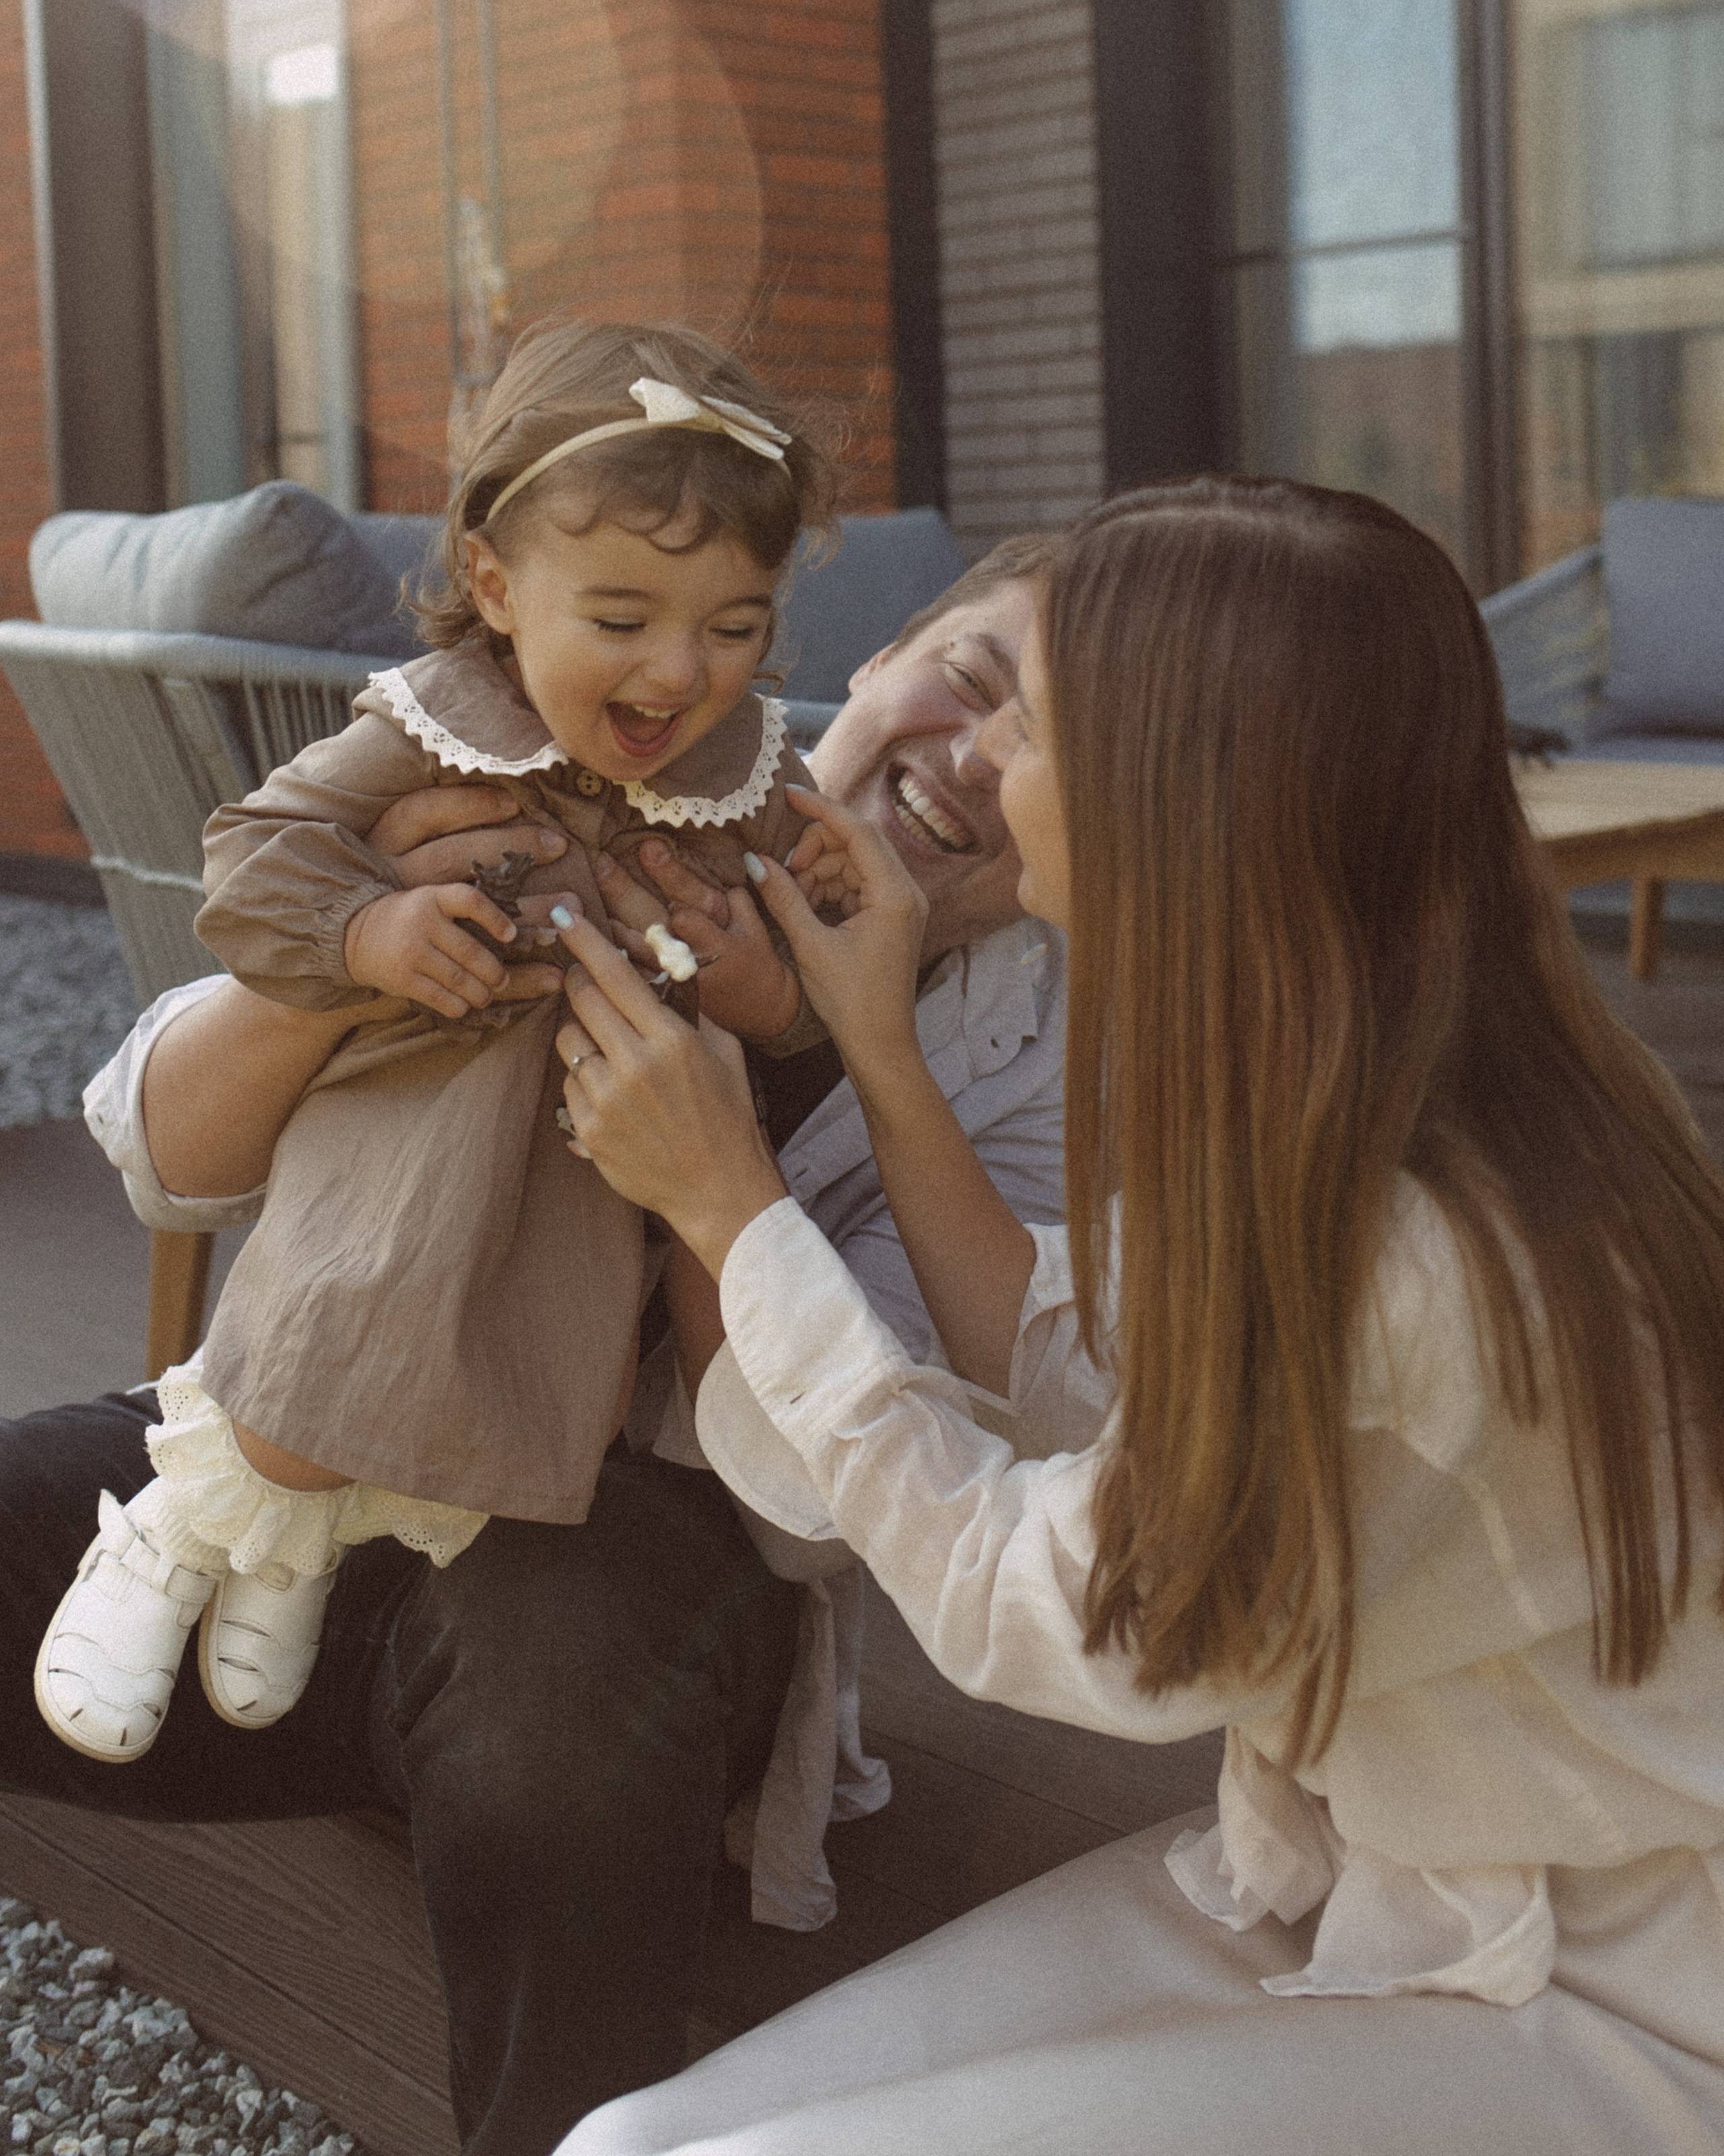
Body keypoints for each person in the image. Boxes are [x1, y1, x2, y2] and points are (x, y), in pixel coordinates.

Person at [550, 476, 1724, 2156]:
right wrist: (876, 1047)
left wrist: (729, 1209)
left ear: (1173, 792)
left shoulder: (1429, 1252)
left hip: (1615, 1986)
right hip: (1337, 1866)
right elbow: (1083, 1367)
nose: (983, 758)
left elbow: (1047, 1603)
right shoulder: (1364, 1086)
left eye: (1031, 720)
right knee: (624, 2146)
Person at [0, 531, 1063, 2155]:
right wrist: (351, 948)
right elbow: (160, 1151)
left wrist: (718, 1173)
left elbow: (803, 1521)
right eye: (969, 678)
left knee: (552, 1688)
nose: (975, 759)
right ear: (870, 656)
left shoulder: (1027, 1073)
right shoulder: (569, 754)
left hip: (630, 1569)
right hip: (310, 1454)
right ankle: (395, 1731)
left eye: (1045, 746)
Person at [36, 319, 843, 1767]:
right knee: (338, 1336)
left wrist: (763, 991)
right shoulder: (430, 732)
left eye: (735, 628)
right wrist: (365, 931)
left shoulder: (747, 775)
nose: (681, 672)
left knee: (502, 1397)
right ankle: (178, 1530)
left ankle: (292, 1562)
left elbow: (799, 987)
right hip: (405, 1129)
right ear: (495, 583)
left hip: (579, 1182)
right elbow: (250, 859)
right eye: (622, 620)